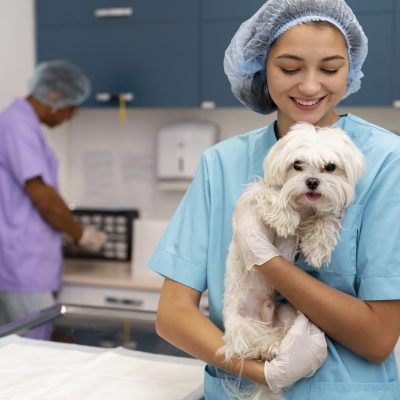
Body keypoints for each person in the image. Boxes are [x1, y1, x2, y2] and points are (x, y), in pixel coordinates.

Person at [149, 0, 400, 398]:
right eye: (290, 68)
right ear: (261, 67)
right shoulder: (221, 163)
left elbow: (377, 338)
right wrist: (260, 373)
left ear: (351, 69)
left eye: (331, 69)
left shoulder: (386, 161)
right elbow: (173, 315)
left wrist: (266, 259)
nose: (311, 86)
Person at [0, 60, 107, 339]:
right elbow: (43, 197)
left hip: (22, 261)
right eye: (72, 109)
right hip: (22, 267)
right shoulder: (17, 125)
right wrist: (81, 234)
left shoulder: (22, 124)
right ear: (55, 98)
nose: (70, 117)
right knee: (35, 358)